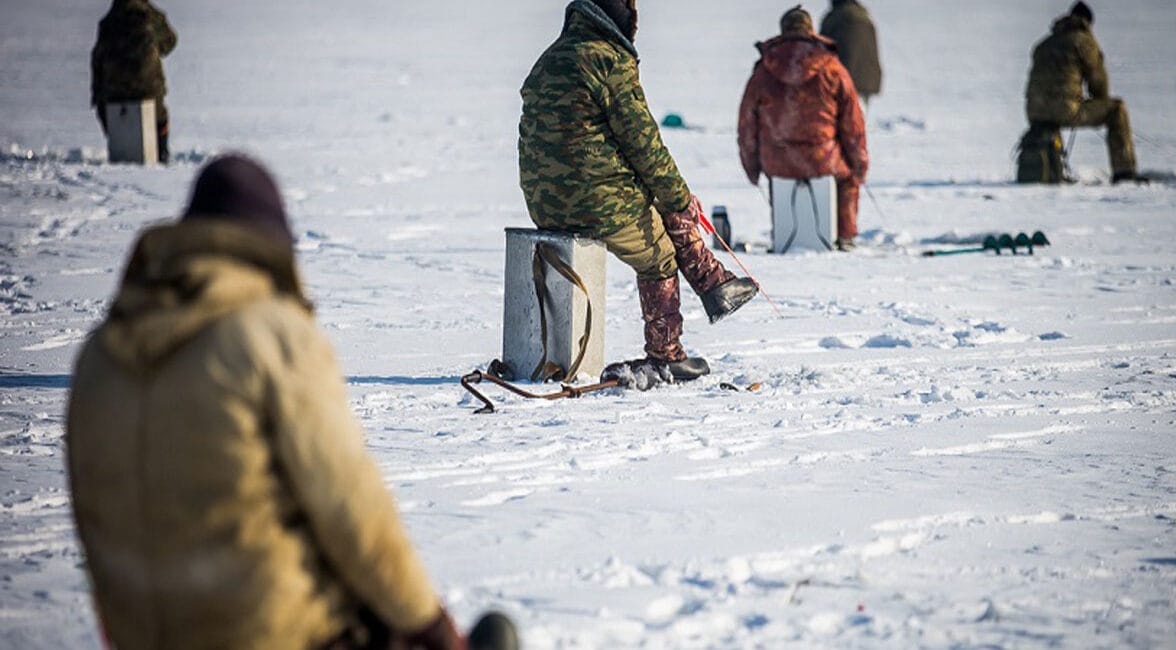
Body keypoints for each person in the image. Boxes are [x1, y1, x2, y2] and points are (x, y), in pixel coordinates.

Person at [66, 155, 466, 650]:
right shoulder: (270, 335)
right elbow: (349, 506)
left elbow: (91, 523)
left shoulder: (99, 355)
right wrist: (427, 621)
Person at [518, 0, 757, 381]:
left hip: (544, 202)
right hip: (593, 200)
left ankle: (714, 283)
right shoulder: (608, 60)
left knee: (659, 203)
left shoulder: (548, 59)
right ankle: (668, 352)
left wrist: (669, 197)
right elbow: (644, 145)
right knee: (659, 255)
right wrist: (681, 199)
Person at [737, 6, 868, 252]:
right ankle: (844, 237)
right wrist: (859, 166)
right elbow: (853, 125)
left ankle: (784, 235)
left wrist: (752, 167)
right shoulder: (832, 68)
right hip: (823, 158)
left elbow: (747, 125)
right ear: (810, 31)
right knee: (847, 179)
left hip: (777, 160)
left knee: (781, 175)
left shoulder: (764, 70)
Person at [1025, 1, 1144, 184]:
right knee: (1117, 109)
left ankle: (1052, 170)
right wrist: (1097, 102)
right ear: (1087, 22)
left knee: (1051, 119)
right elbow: (1099, 84)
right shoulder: (1084, 42)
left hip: (1035, 111)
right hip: (1065, 110)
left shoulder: (1044, 44)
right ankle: (1125, 172)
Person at [90, 0, 177, 163]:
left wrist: (97, 92)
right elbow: (170, 42)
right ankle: (161, 154)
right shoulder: (152, 16)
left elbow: (97, 59)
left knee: (110, 113)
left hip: (113, 91)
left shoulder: (108, 22)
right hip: (149, 89)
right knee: (160, 117)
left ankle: (121, 147)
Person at [819, 0, 882, 105]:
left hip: (842, 80)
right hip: (866, 79)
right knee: (858, 112)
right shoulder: (864, 16)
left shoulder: (834, 17)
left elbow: (822, 50)